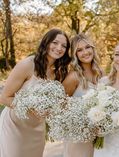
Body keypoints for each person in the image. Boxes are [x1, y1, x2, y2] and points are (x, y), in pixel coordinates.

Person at [0, 28, 71, 157]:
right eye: (55, 43)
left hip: (37, 128)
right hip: (15, 126)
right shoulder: (27, 65)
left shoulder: (59, 72)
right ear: (46, 42)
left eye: (64, 46)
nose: (59, 48)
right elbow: (4, 98)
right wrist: (29, 106)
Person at [62, 33, 103, 157]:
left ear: (92, 48)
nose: (85, 52)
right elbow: (60, 106)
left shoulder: (100, 73)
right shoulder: (73, 77)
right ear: (75, 55)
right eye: (79, 50)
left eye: (87, 47)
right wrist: (80, 121)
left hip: (98, 134)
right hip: (78, 137)